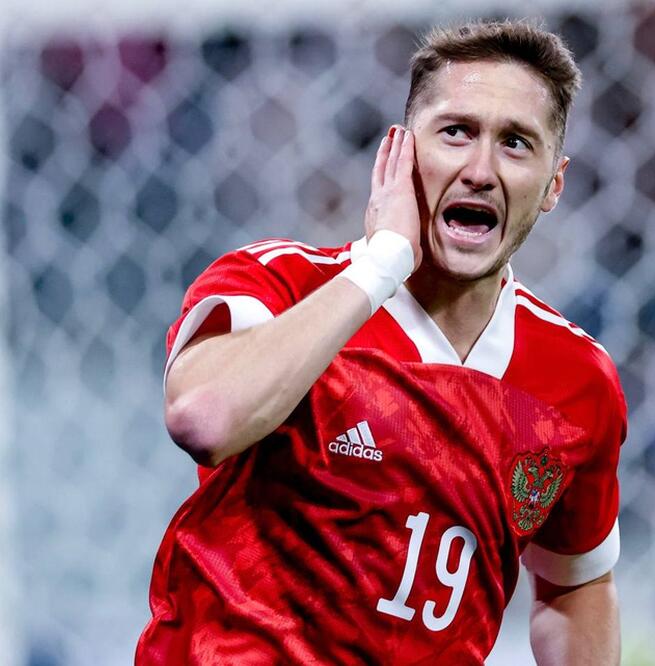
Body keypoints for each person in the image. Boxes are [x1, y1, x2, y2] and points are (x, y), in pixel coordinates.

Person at [136, 18, 627, 665]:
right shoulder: (280, 285)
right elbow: (202, 418)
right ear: (400, 152)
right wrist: (382, 264)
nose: (480, 170)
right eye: (456, 132)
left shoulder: (576, 380)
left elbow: (575, 584)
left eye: (515, 143)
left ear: (553, 185)